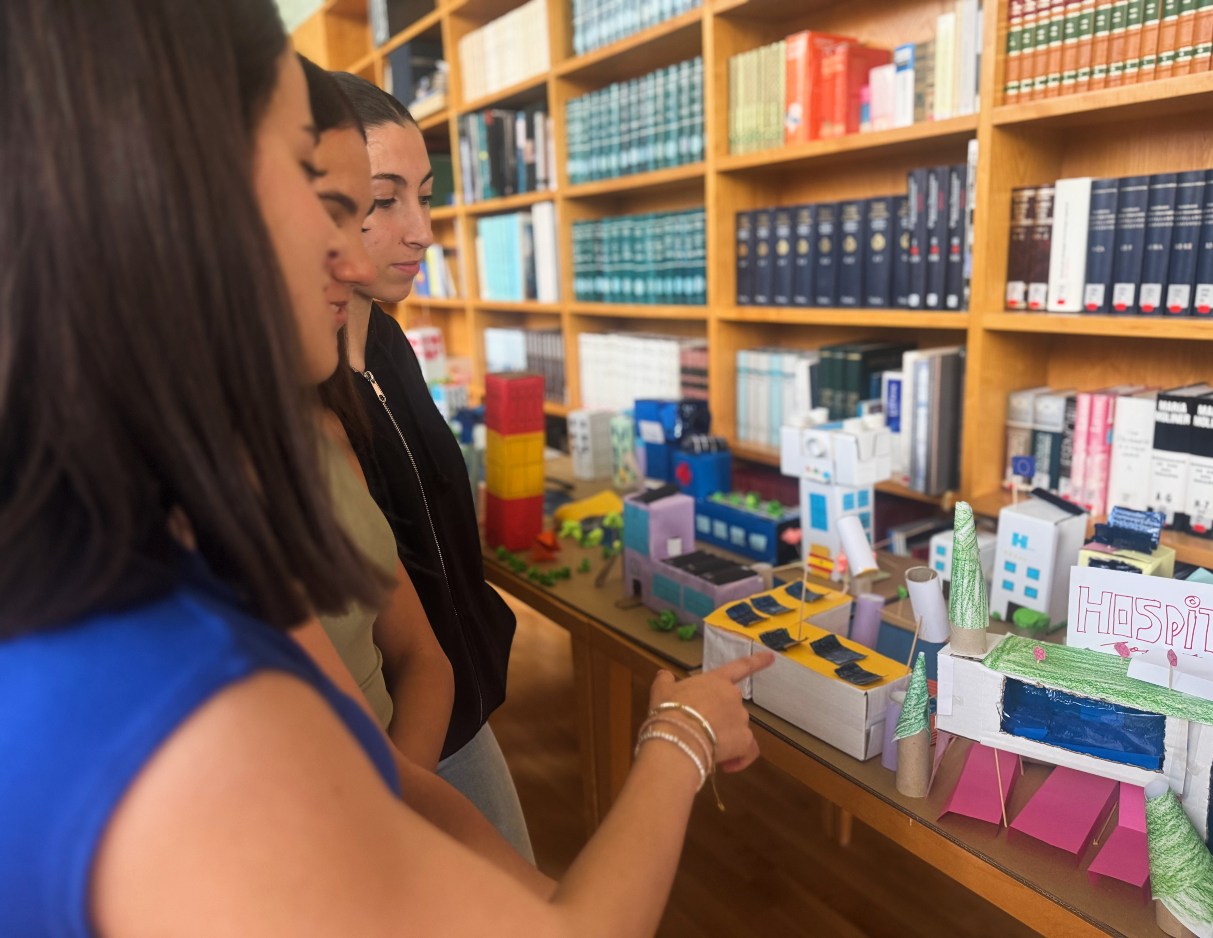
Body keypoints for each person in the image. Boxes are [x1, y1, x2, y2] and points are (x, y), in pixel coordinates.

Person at [0, 1, 773, 934]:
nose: (350, 246)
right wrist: (684, 733)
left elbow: (408, 778)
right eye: (315, 180)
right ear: (174, 196)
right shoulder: (182, 720)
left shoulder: (146, 560)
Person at [296, 54, 551, 892]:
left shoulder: (389, 342)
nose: (422, 231)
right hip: (397, 738)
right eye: (381, 202)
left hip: (454, 699)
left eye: (427, 196)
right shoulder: (300, 406)